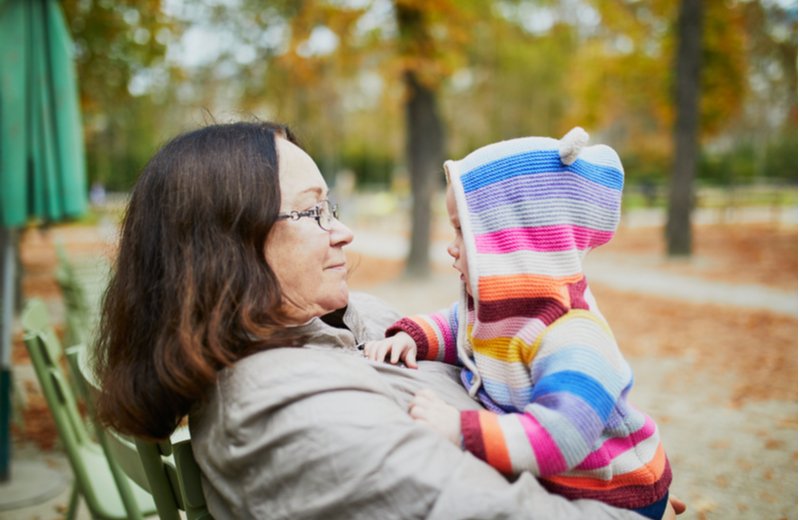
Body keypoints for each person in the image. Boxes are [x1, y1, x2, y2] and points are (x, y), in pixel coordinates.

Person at [92, 120, 681, 519]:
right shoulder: (286, 415)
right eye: (312, 210)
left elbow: (459, 332)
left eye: (333, 208)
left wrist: (615, 475)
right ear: (225, 245)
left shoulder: (316, 330)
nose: (342, 230)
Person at [365, 128, 671, 519]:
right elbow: (458, 327)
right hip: (565, 478)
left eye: (464, 231)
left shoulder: (574, 336)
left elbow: (562, 438)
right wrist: (415, 337)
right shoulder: (503, 311)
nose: (452, 245)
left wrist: (462, 429)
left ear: (514, 240)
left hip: (617, 490)